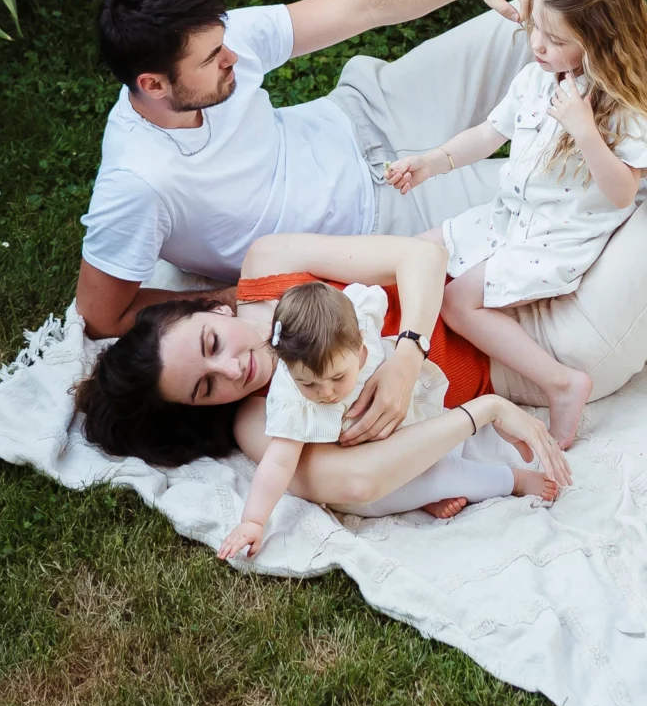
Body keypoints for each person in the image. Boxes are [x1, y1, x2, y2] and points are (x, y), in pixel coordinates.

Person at [74, 0, 647, 449]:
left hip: (377, 131)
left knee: (577, 54)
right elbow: (102, 308)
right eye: (214, 63)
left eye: (228, 47)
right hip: (440, 255)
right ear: (155, 84)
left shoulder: (278, 281)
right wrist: (229, 318)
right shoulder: (141, 189)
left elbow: (360, 5)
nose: (235, 62)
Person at [76, 231, 573, 546]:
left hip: (481, 284)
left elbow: (422, 255)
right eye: (205, 387)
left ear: (214, 308)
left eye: (212, 342)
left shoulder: (269, 264)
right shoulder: (260, 419)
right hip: (522, 359)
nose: (231, 369)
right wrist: (481, 411)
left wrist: (407, 357)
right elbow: (358, 484)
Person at [390, 0, 647, 446]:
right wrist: (433, 161)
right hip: (509, 217)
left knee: (458, 301)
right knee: (415, 254)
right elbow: (487, 133)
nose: (538, 45)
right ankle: (389, 344)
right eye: (536, 26)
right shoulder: (538, 77)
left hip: (557, 236)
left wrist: (586, 133)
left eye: (557, 40)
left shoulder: (624, 110)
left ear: (602, 44)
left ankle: (562, 383)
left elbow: (623, 191)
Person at [216, 277, 517, 561]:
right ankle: (513, 480)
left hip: (410, 420)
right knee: (441, 474)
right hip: (375, 462)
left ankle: (426, 492)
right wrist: (253, 521)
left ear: (359, 342)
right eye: (307, 383)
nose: (325, 393)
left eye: (337, 377)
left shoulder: (358, 317)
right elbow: (278, 462)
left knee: (450, 433)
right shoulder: (293, 401)